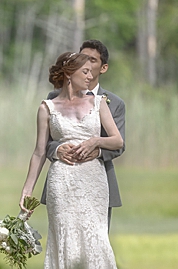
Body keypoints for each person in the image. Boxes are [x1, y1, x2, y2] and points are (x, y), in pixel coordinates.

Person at [6, 51, 138, 269]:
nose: (91, 77)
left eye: (92, 72)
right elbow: (40, 151)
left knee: (95, 241)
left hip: (93, 181)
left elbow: (117, 140)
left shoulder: (99, 103)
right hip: (61, 183)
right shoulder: (47, 108)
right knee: (65, 242)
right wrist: (27, 191)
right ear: (69, 74)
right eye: (85, 72)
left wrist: (95, 141)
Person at [41, 40, 125, 230]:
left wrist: (96, 150)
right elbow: (45, 143)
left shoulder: (114, 103)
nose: (86, 64)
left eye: (92, 60)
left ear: (103, 68)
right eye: (83, 58)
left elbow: (119, 144)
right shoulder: (53, 98)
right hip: (63, 180)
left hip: (96, 180)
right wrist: (57, 150)